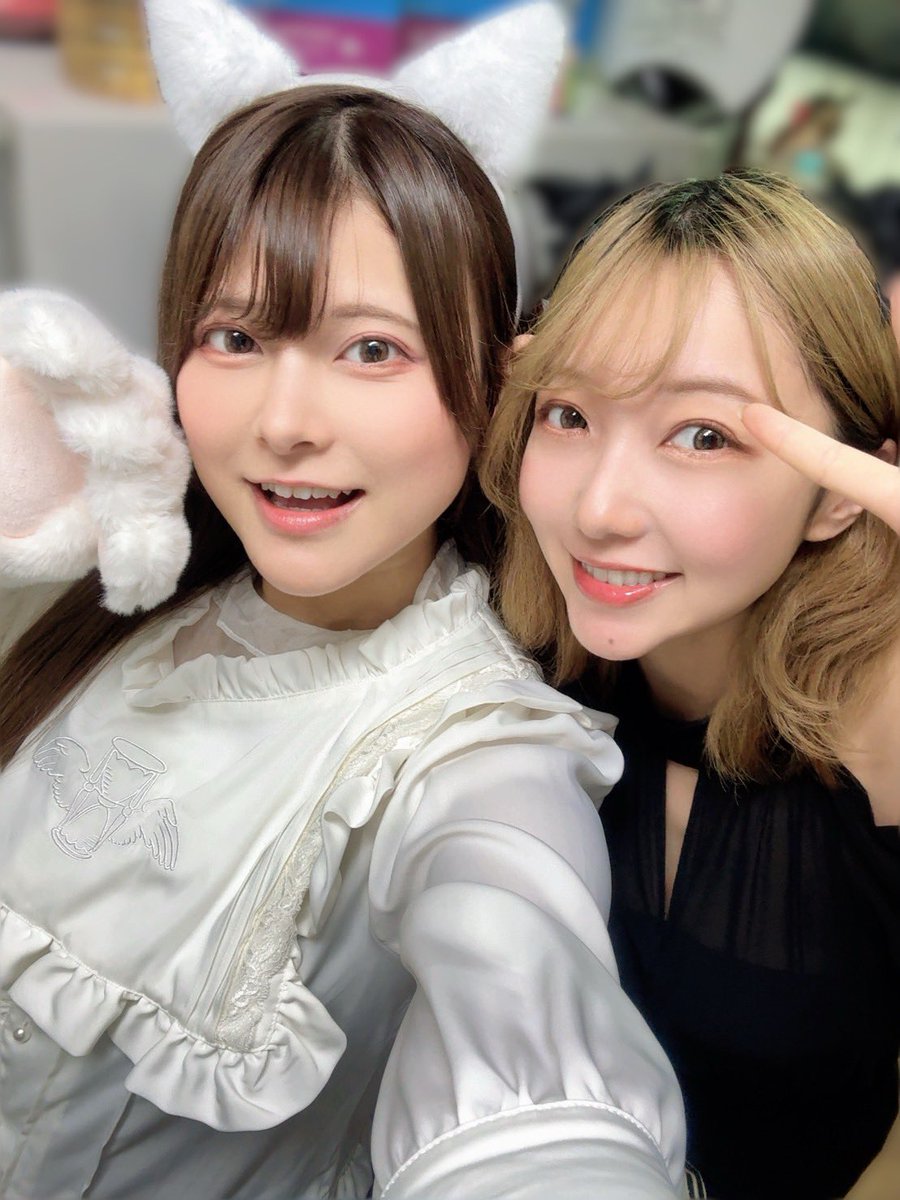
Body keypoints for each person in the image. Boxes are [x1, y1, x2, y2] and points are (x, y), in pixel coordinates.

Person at [0, 4, 687, 1198]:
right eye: (235, 336)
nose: (284, 423)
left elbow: (521, 996)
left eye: (372, 351)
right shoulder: (131, 595)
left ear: (495, 379)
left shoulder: (476, 756)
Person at [481, 170, 900, 1200]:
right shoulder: (501, 636)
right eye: (569, 415)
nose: (600, 509)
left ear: (837, 497)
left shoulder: (886, 720)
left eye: (704, 435)